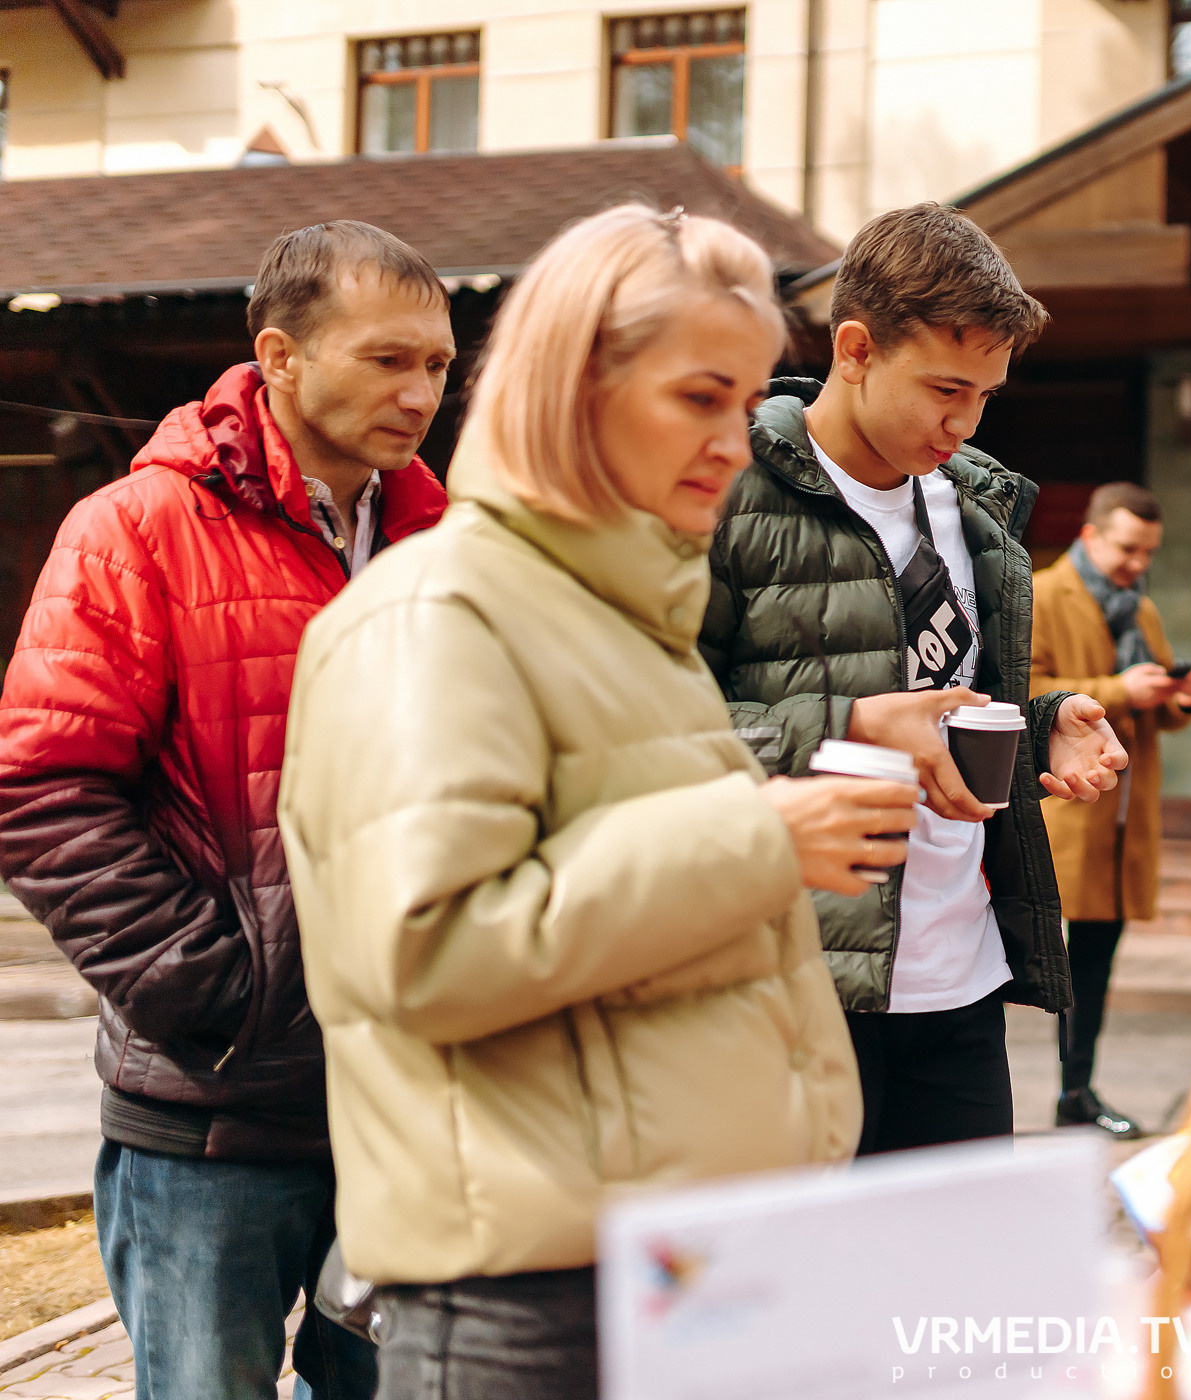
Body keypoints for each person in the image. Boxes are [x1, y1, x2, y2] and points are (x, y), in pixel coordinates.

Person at [278, 205, 890, 1399]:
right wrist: (755, 837)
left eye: (748, 402)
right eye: (699, 397)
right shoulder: (436, 614)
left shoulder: (623, 614)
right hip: (538, 1306)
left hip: (677, 1275)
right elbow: (429, 946)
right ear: (573, 387)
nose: (736, 442)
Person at [0, 221, 453, 1400]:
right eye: (387, 359)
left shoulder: (448, 546)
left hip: (410, 1103)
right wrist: (217, 992)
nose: (420, 393)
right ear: (281, 355)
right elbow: (42, 785)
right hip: (206, 1118)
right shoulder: (135, 529)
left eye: (437, 365)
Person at [700, 202, 1127, 1156]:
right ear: (855, 349)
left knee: (960, 1256)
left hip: (960, 978)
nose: (963, 421)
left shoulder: (978, 506)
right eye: (944, 388)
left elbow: (947, 707)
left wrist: (1041, 722)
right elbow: (655, 736)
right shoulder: (725, 490)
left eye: (985, 396)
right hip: (790, 984)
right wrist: (848, 726)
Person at [1031, 482, 1191, 1138]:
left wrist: (1180, 698)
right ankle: (1043, 1095)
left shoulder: (1142, 609)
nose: (1139, 563)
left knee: (1094, 968)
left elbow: (1153, 713)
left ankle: (1076, 1093)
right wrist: (1120, 690)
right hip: (1063, 813)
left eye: (1149, 552)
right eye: (1129, 549)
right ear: (1090, 535)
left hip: (1122, 820)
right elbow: (1023, 691)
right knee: (1030, 968)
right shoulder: (1041, 596)